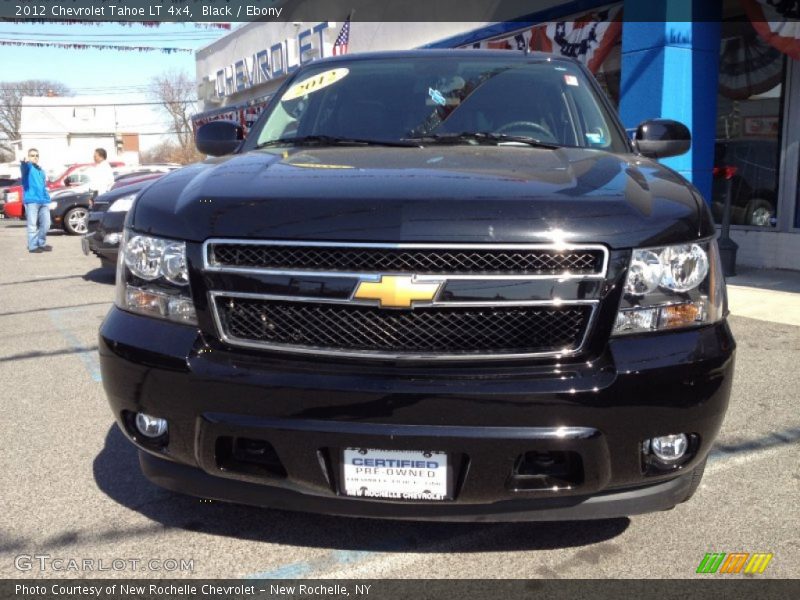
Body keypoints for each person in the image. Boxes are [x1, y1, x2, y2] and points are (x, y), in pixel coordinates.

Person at [20, 148, 52, 253]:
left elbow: (43, 186)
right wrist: (23, 162)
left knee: (47, 224)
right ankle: (33, 246)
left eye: (37, 155)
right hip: (32, 201)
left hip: (43, 201)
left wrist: (47, 199)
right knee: (32, 225)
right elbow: (24, 167)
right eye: (32, 155)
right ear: (29, 157)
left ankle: (41, 243)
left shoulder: (41, 171)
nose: (35, 157)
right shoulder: (28, 168)